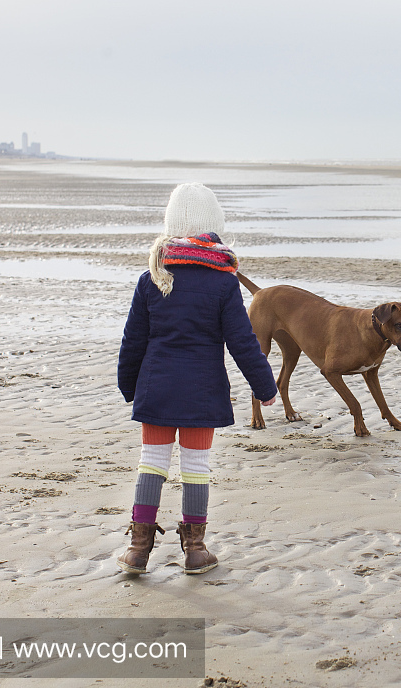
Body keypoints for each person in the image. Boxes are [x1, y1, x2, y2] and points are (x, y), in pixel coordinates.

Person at [116, 183, 277, 574]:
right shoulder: (223, 282)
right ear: (213, 228)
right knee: (196, 468)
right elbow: (242, 340)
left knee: (151, 463)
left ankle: (138, 549)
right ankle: (195, 549)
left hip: (156, 388)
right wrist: (265, 386)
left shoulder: (152, 275)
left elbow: (133, 339)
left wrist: (128, 384)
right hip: (202, 392)